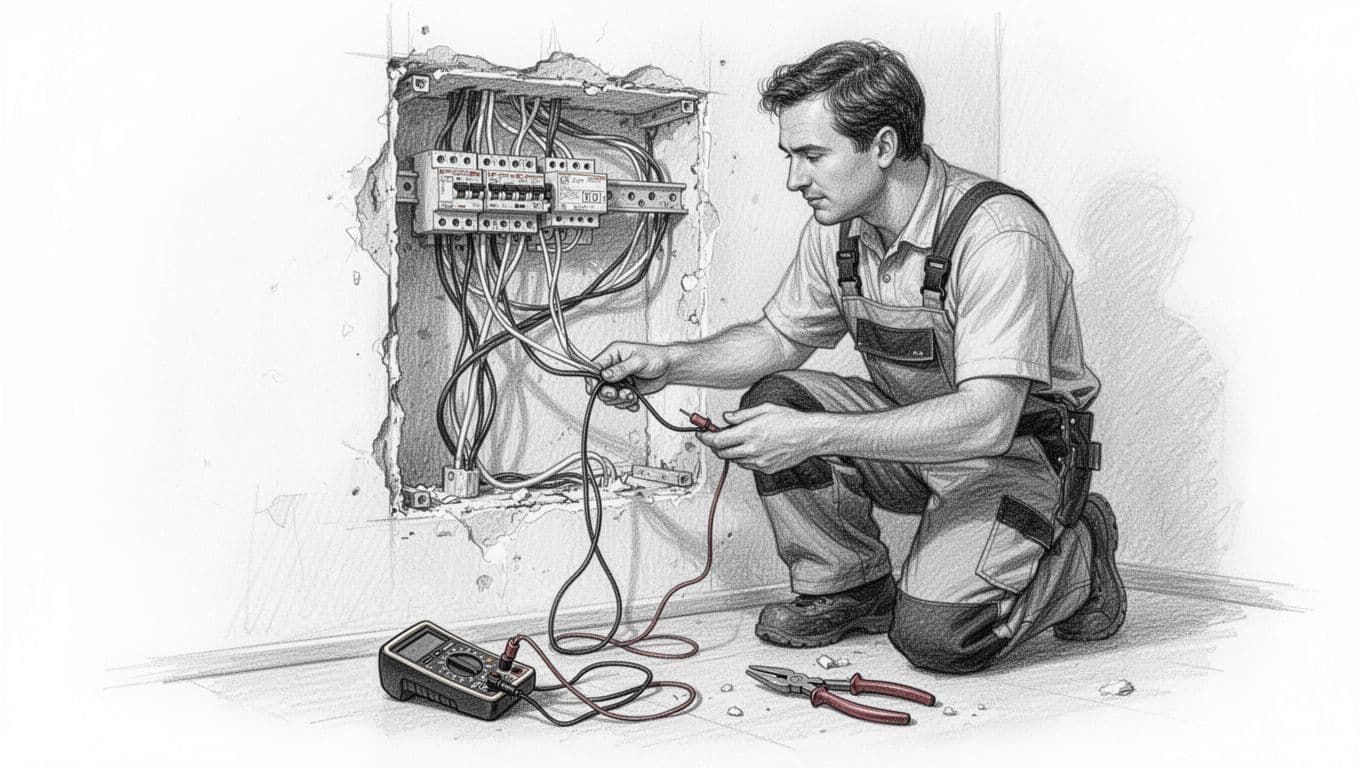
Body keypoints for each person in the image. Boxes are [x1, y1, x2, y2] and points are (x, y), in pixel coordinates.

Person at [592, 40, 1125, 674]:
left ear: (882, 146)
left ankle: (1080, 556)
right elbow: (777, 339)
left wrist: (812, 435)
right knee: (779, 395)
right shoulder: (838, 229)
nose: (795, 178)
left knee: (939, 639)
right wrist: (670, 361)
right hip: (912, 437)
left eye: (812, 155)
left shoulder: (998, 236)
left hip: (1013, 456)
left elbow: (987, 420)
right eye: (791, 156)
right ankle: (849, 586)